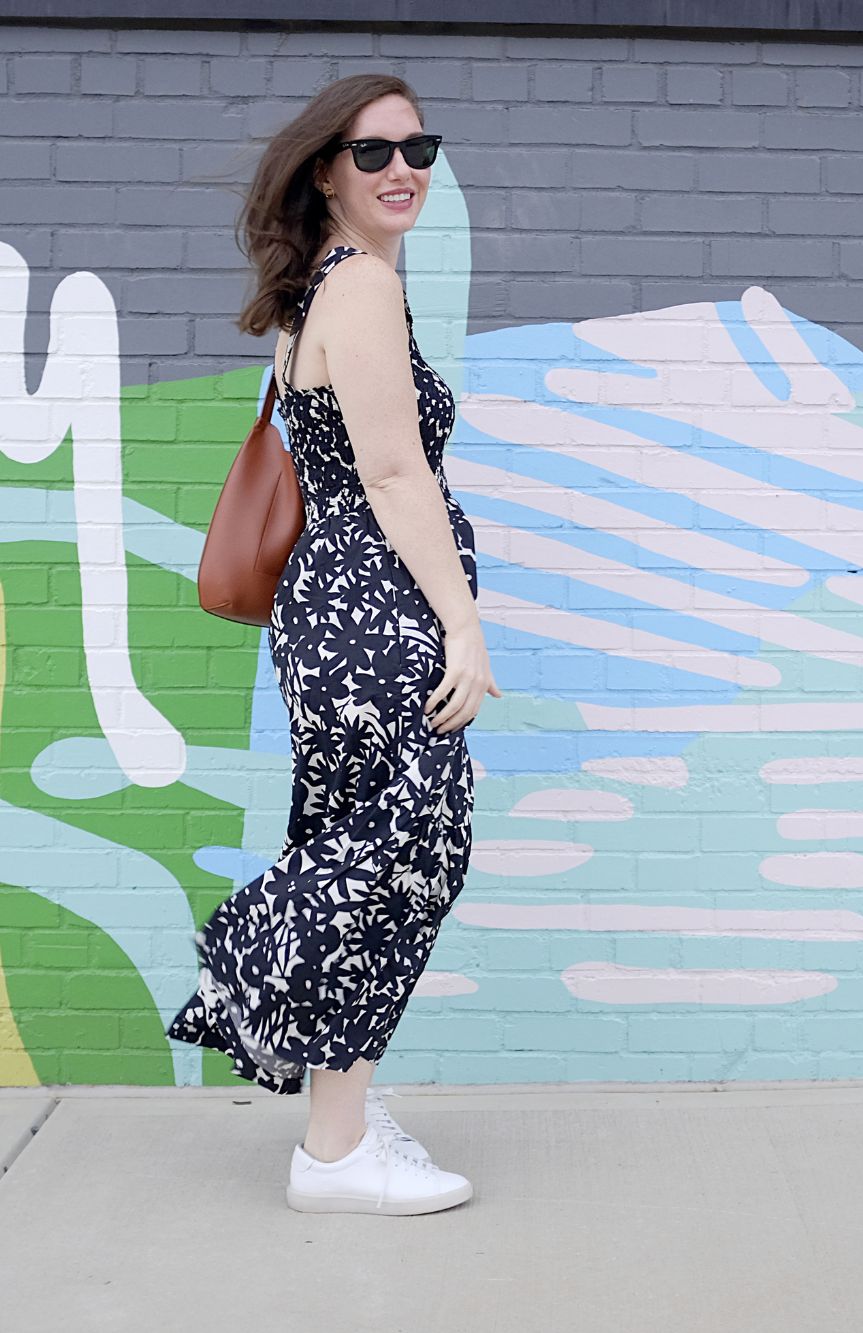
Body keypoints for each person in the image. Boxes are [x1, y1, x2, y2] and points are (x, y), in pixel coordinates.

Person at [165, 74, 500, 1216]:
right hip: (373, 612)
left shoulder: (330, 288)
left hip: (338, 615)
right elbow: (395, 475)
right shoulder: (358, 293)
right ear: (326, 171)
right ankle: (309, 1093)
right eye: (374, 154)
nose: (403, 169)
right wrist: (464, 621)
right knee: (405, 846)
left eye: (420, 149)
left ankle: (339, 1123)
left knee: (373, 838)